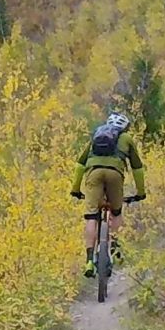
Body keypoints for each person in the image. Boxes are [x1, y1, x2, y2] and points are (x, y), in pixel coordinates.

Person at [71, 110, 146, 278]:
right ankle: (114, 250)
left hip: (93, 174)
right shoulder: (126, 138)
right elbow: (137, 167)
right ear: (125, 128)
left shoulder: (96, 134)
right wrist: (141, 192)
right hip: (114, 175)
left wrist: (75, 189)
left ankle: (89, 260)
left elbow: (80, 164)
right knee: (116, 211)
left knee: (91, 216)